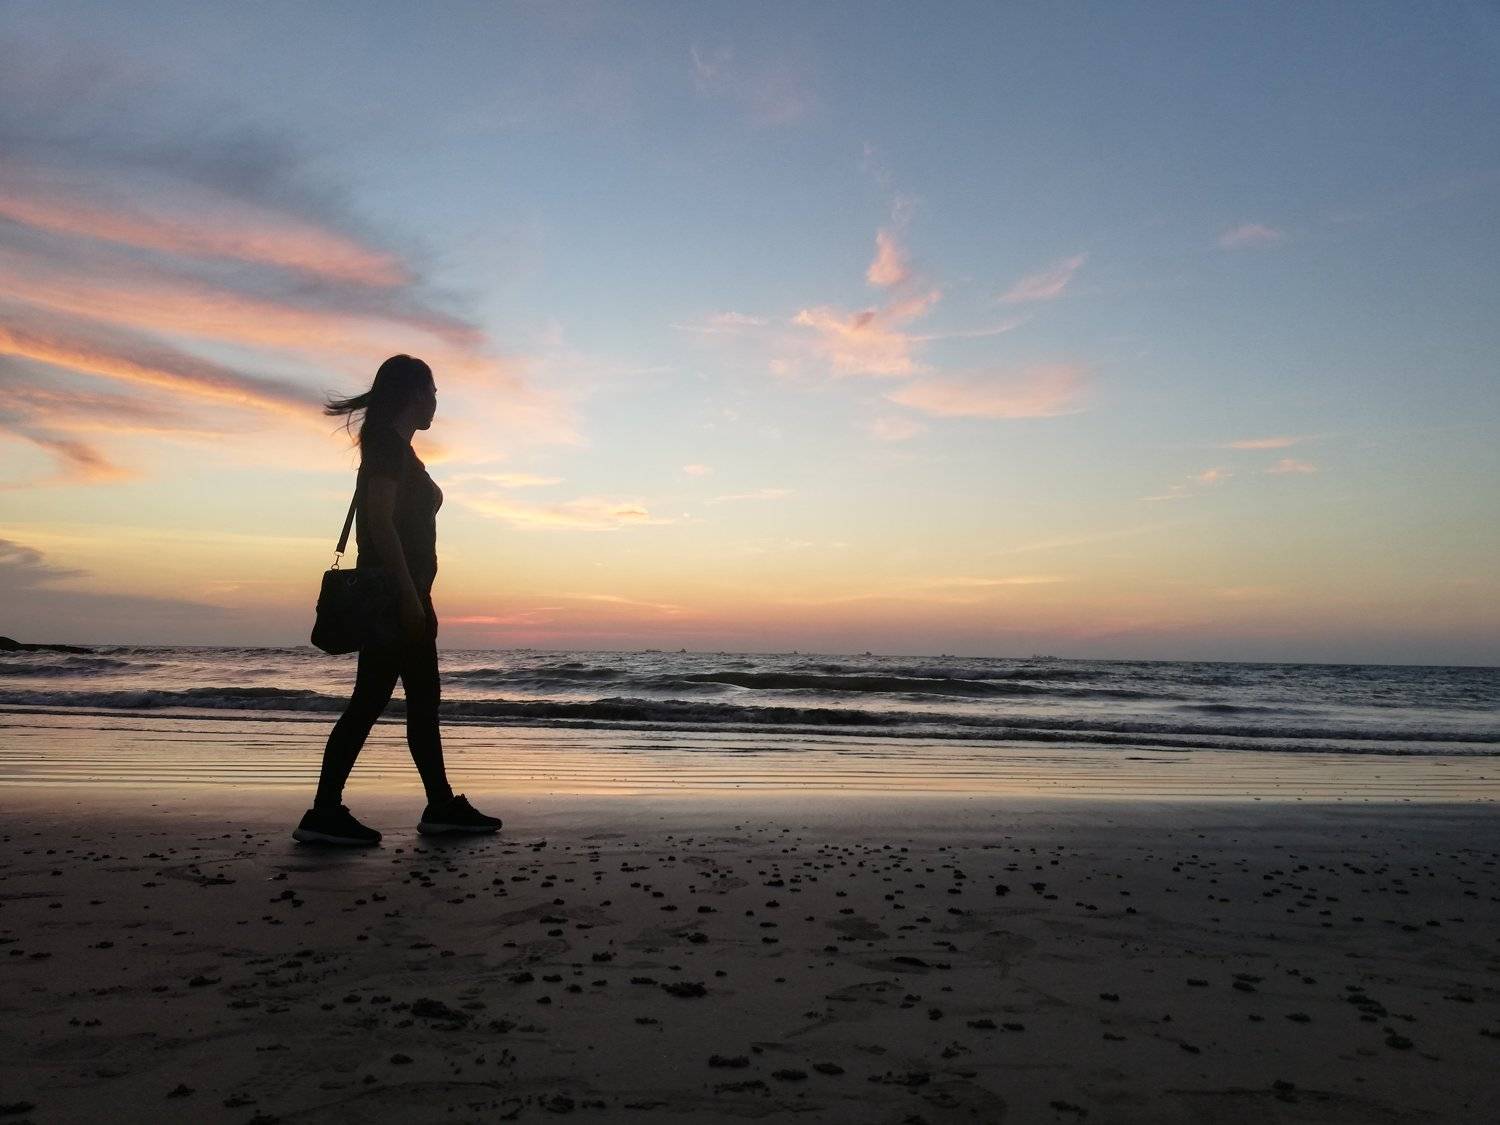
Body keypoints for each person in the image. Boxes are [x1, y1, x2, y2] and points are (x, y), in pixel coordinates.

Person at [293, 354, 502, 845]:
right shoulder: (387, 447)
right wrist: (409, 596)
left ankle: (421, 806)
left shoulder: (394, 447)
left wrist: (414, 593)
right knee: (393, 703)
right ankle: (338, 811)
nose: (436, 403)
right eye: (433, 393)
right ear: (413, 394)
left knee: (394, 701)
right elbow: (380, 523)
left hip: (404, 593)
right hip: (396, 597)